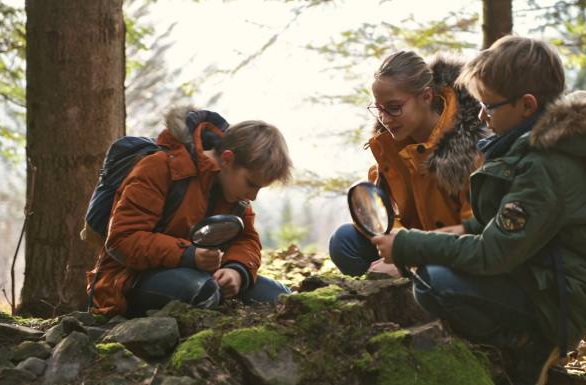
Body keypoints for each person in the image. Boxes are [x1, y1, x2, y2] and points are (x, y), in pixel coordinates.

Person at [372, 36, 586, 385]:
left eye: (489, 107)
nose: (480, 115)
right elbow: (495, 225)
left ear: (526, 105)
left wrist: (407, 246)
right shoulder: (528, 148)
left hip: (558, 301)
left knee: (436, 283)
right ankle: (517, 350)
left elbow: (493, 253)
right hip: (539, 276)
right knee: (437, 270)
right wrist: (453, 232)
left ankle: (527, 344)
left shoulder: (546, 165)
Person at [87, 106, 293, 317]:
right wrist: (188, 254)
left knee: (282, 299)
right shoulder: (159, 167)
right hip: (129, 280)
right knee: (201, 292)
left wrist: (236, 270)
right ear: (228, 159)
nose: (253, 196)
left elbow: (246, 239)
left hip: (203, 275)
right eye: (251, 184)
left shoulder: (234, 193)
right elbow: (122, 240)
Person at [329, 51, 485, 277]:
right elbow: (385, 215)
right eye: (379, 109)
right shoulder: (390, 146)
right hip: (412, 246)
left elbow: (475, 236)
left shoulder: (472, 147)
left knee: (437, 275)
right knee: (344, 241)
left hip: (454, 253)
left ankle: (427, 293)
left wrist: (406, 259)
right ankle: (397, 296)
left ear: (426, 96)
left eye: (394, 107)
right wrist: (395, 245)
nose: (385, 118)